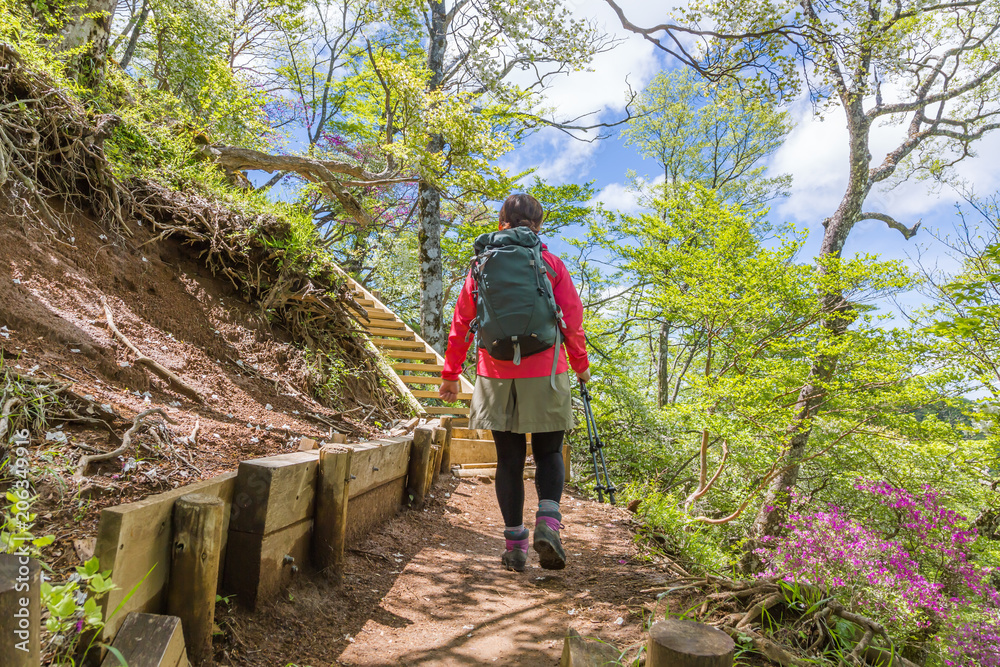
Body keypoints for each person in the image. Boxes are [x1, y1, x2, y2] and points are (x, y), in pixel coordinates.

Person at [439, 193, 591, 572]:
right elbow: (571, 321)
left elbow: (461, 324)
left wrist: (451, 375)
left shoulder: (480, 266)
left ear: (501, 221)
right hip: (547, 371)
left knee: (508, 461)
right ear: (537, 225)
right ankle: (548, 524)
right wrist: (581, 366)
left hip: (494, 373)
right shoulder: (551, 264)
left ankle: (515, 546)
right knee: (549, 454)